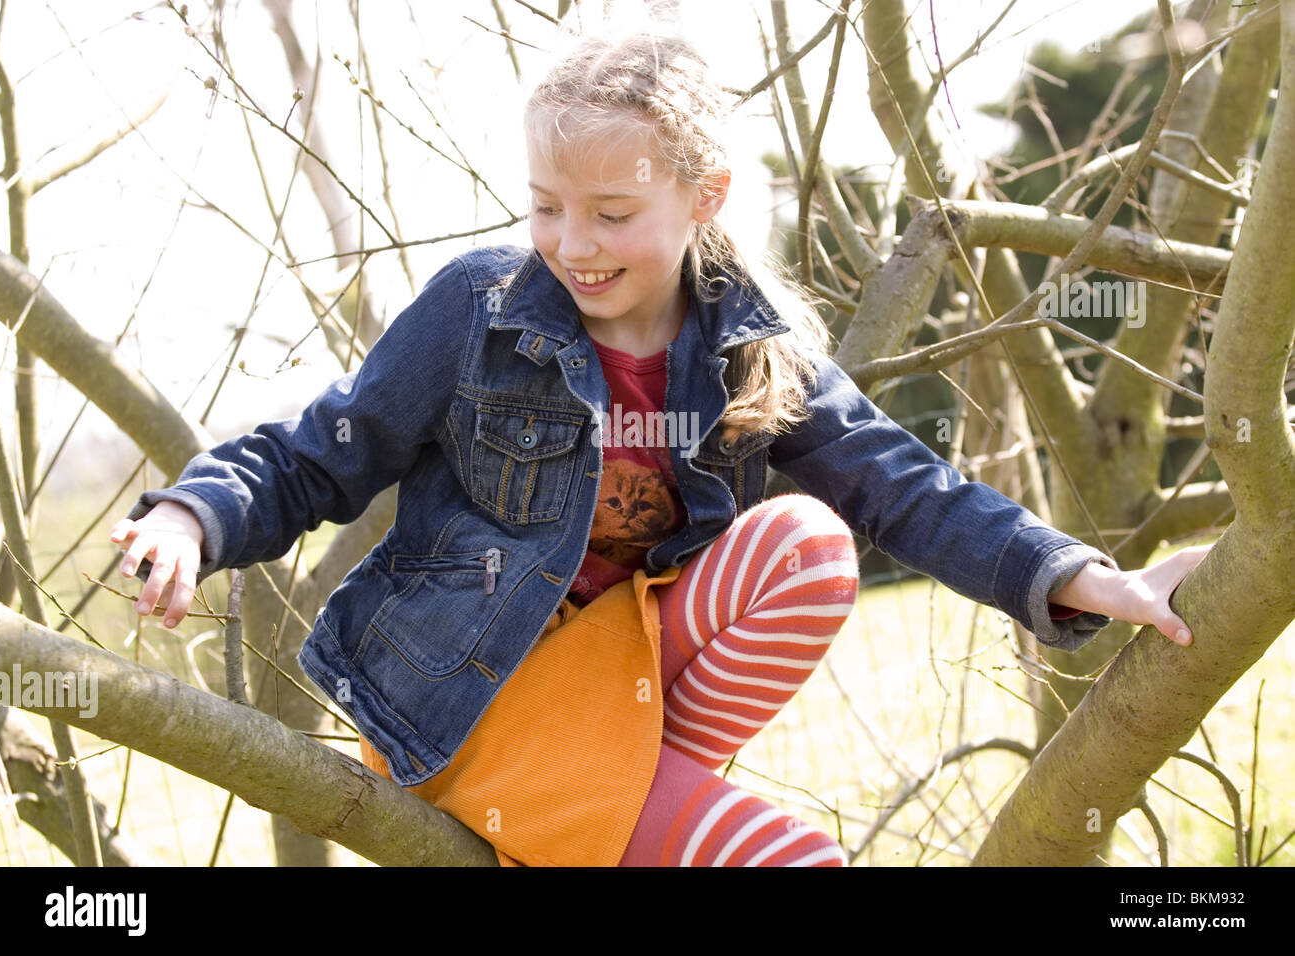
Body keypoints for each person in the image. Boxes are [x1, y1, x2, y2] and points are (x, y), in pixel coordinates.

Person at [108, 28, 1208, 867]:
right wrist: (190, 514)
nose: (572, 245)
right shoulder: (478, 311)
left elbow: (903, 490)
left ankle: (632, 799)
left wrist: (1082, 575)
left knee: (808, 543)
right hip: (470, 706)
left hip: (617, 683)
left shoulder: (746, 344)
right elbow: (318, 452)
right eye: (547, 207)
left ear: (704, 198)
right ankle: (615, 808)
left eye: (611, 212)